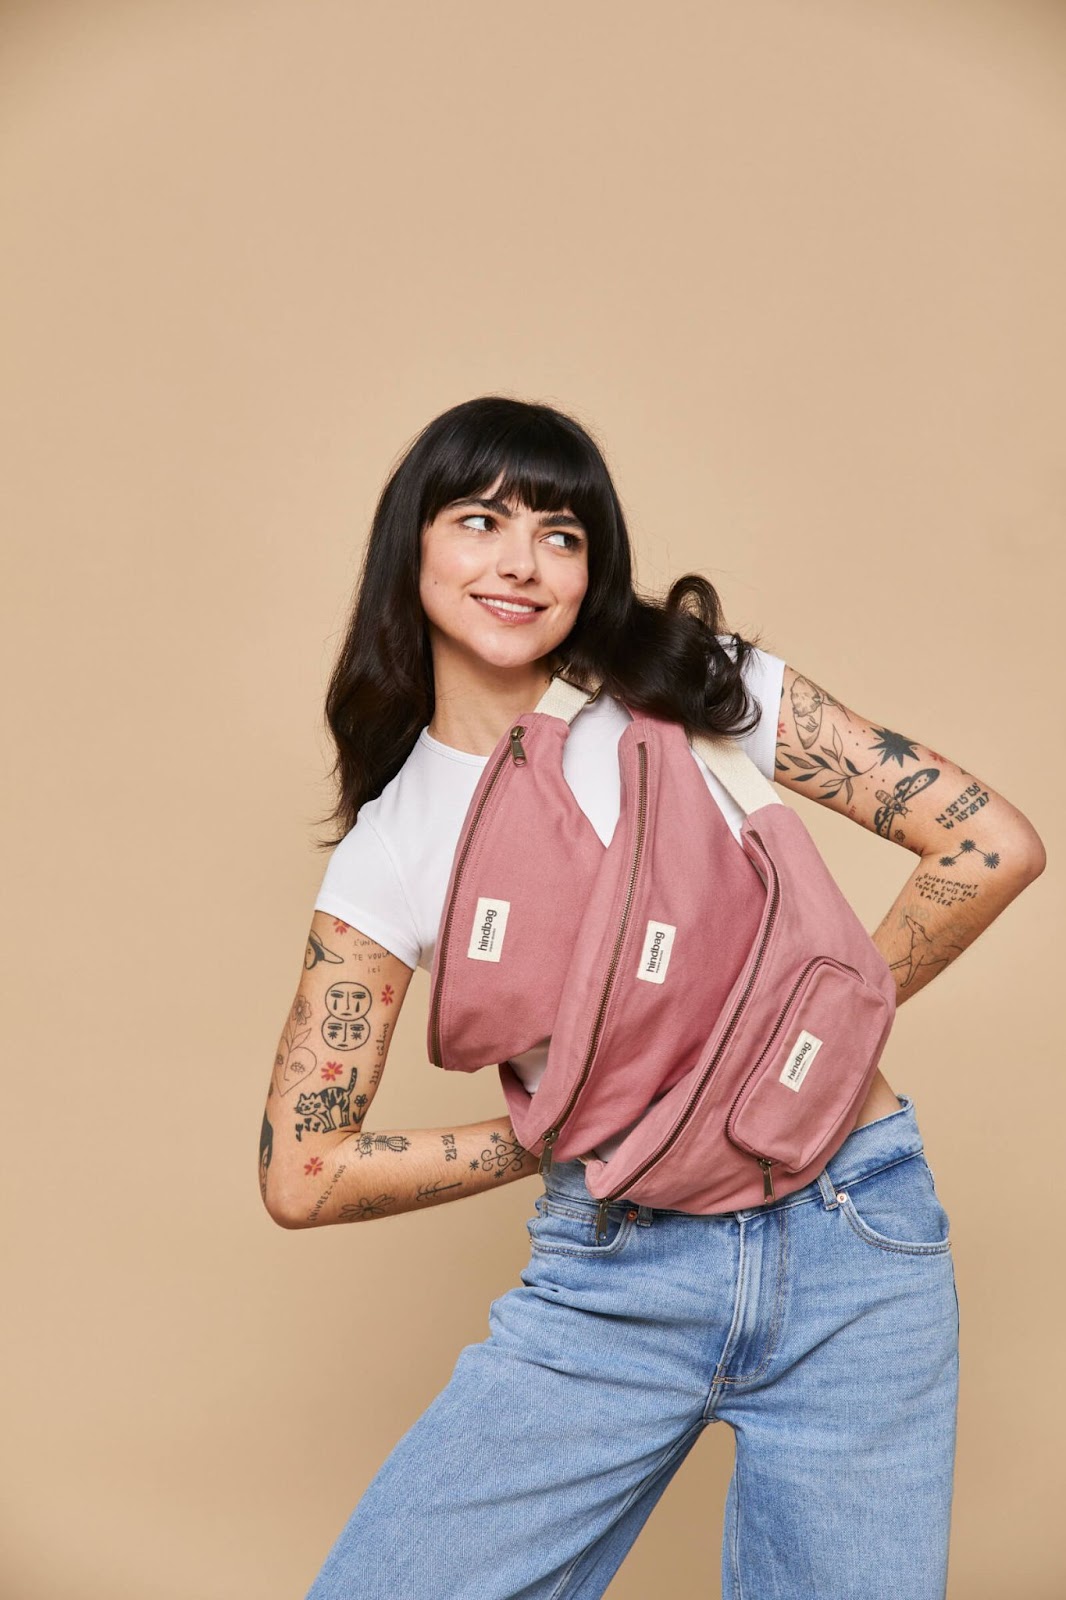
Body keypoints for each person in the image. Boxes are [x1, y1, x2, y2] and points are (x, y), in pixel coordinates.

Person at [260, 395, 1045, 1599]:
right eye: (480, 520)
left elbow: (988, 842)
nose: (521, 562)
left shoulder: (697, 687)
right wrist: (553, 1133)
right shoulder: (394, 841)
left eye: (562, 534)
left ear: (591, 569)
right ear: (409, 547)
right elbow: (304, 1173)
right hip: (613, 1272)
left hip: (857, 1239)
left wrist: (816, 1027)